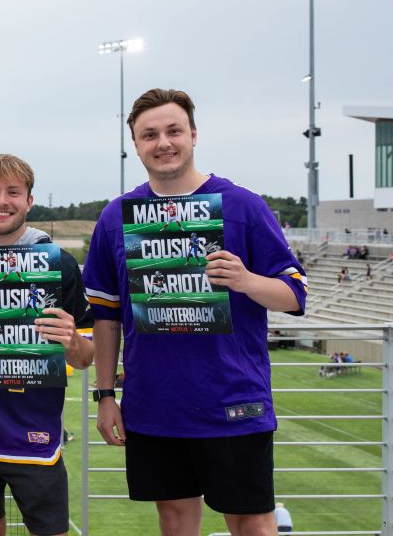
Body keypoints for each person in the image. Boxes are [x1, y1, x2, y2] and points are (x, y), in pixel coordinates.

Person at [83, 89, 306, 536]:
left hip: (233, 401)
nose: (163, 142)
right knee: (175, 520)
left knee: (254, 524)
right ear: (135, 144)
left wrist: (245, 280)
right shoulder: (116, 217)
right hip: (155, 405)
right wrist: (105, 395)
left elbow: (295, 295)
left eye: (173, 131)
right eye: (150, 134)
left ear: (194, 135)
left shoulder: (242, 206)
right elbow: (105, 315)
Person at [0, 154, 95, 536]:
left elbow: (87, 355)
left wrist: (72, 339)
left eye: (13, 192)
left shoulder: (58, 262)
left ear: (29, 200)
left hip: (34, 432)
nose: (2, 201)